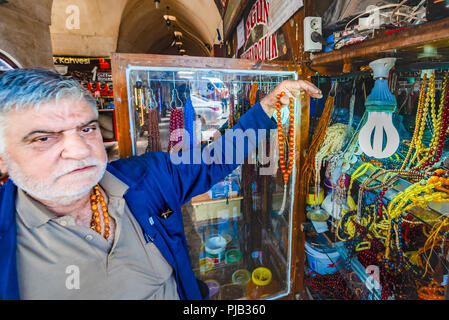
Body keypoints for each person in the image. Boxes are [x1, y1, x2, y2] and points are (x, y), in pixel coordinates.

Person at [0, 68, 322, 300]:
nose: (79, 150)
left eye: (86, 129)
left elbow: (213, 159)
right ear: (3, 157)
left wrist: (265, 108)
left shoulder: (143, 179)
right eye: (43, 138)